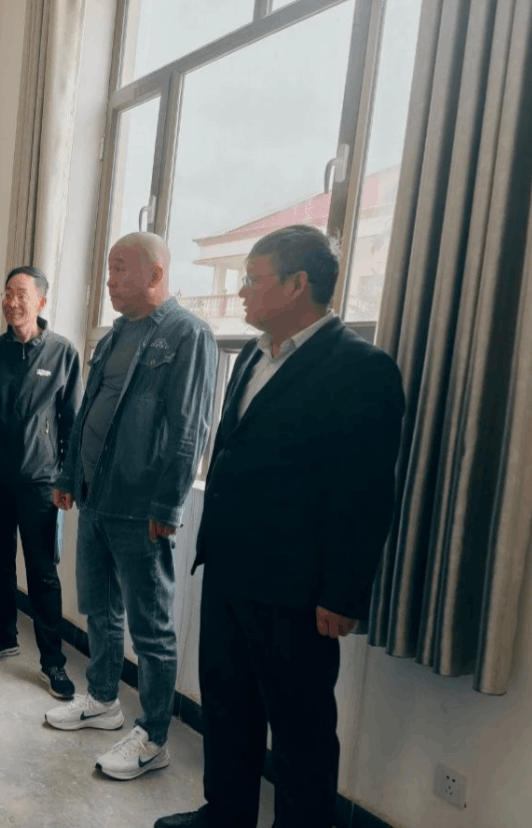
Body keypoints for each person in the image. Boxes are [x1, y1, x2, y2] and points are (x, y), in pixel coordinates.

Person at [154, 225, 404, 828]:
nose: (241, 291)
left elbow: (366, 492)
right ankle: (226, 813)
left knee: (300, 728)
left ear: (297, 285)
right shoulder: (253, 355)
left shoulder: (360, 368)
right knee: (228, 705)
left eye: (252, 278)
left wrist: (343, 592)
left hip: (297, 589)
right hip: (230, 569)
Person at [46, 232, 217, 781]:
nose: (110, 280)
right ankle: (102, 699)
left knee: (152, 628)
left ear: (156, 274)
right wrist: (69, 475)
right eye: (109, 268)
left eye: (121, 268)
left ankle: (155, 737)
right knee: (98, 608)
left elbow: (190, 427)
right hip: (95, 497)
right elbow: (87, 409)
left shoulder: (188, 334)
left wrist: (168, 503)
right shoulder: (115, 333)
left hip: (141, 506)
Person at [0, 266, 82, 700]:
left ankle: (52, 661)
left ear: (41, 302)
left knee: (43, 572)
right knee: (0, 564)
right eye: (7, 293)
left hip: (40, 482)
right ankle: (4, 635)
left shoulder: (63, 353)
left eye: (21, 295)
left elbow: (72, 423)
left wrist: (68, 478)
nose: (11, 302)